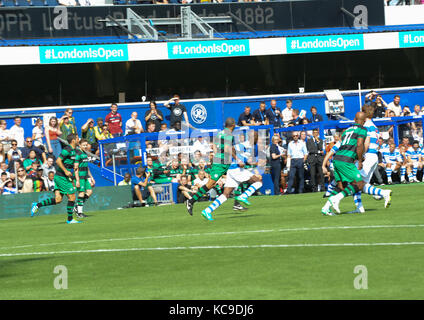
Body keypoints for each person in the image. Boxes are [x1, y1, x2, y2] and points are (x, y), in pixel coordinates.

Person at [321, 112, 392, 216]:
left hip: (336, 160)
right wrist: (360, 160)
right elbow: (359, 145)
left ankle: (326, 207)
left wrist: (324, 164)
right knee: (359, 184)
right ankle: (336, 199)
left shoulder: (346, 131)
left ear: (354, 119)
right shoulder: (362, 129)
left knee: (342, 186)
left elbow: (338, 147)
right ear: (364, 121)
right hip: (346, 161)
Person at [185, 117, 240, 218]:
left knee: (237, 178)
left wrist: (216, 153)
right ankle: (191, 200)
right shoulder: (229, 134)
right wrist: (237, 158)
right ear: (233, 125)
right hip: (221, 163)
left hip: (223, 162)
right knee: (210, 184)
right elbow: (228, 148)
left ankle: (237, 203)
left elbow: (214, 144)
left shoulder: (220, 133)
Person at [31, 134, 82, 224]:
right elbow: (58, 161)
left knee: (58, 199)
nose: (79, 139)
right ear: (73, 140)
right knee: (72, 197)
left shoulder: (75, 151)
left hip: (60, 176)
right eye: (78, 138)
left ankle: (37, 205)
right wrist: (66, 171)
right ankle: (70, 219)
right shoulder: (67, 149)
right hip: (62, 176)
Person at [74, 139, 95, 218]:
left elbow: (86, 167)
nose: (85, 146)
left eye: (86, 145)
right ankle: (79, 213)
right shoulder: (78, 153)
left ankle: (77, 207)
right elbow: (75, 167)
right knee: (81, 193)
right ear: (79, 145)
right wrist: (77, 180)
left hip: (85, 176)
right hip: (80, 177)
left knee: (89, 192)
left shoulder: (85, 153)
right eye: (84, 145)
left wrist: (91, 177)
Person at [306, 128, 324, 192]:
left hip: (319, 159)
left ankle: (322, 188)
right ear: (312, 133)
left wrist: (318, 141)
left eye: (316, 132)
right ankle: (314, 188)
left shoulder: (320, 140)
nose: (315, 134)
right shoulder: (309, 141)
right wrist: (318, 152)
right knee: (312, 174)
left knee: (321, 174)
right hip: (312, 159)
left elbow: (321, 148)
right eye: (314, 132)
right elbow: (310, 150)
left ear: (318, 133)